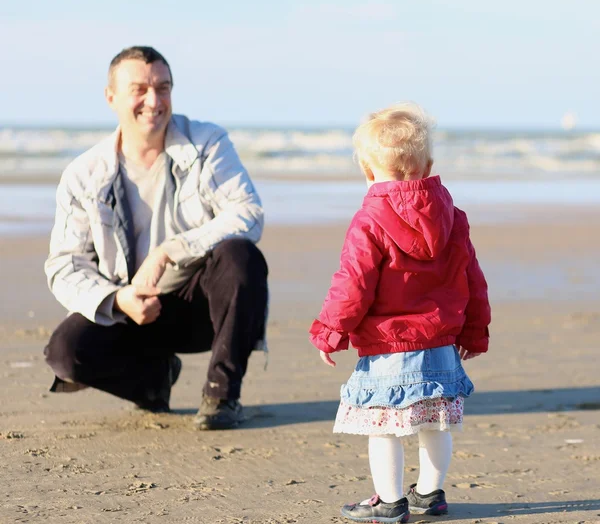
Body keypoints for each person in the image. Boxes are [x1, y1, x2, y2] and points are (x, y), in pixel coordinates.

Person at [44, 46, 268, 431]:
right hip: (129, 309)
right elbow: (65, 265)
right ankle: (151, 382)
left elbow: (248, 212)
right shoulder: (83, 173)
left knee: (239, 255)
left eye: (163, 88)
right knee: (66, 353)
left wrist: (170, 251)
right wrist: (116, 299)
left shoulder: (207, 143)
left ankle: (222, 394)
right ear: (110, 97)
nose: (154, 100)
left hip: (198, 304)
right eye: (140, 89)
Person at [309, 103, 491, 522]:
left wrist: (329, 331)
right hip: (441, 344)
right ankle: (430, 493)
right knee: (434, 423)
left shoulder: (370, 219)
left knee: (385, 426)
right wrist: (475, 331)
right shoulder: (452, 217)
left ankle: (389, 502)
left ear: (369, 173)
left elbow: (352, 283)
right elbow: (473, 278)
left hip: (391, 347)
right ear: (427, 165)